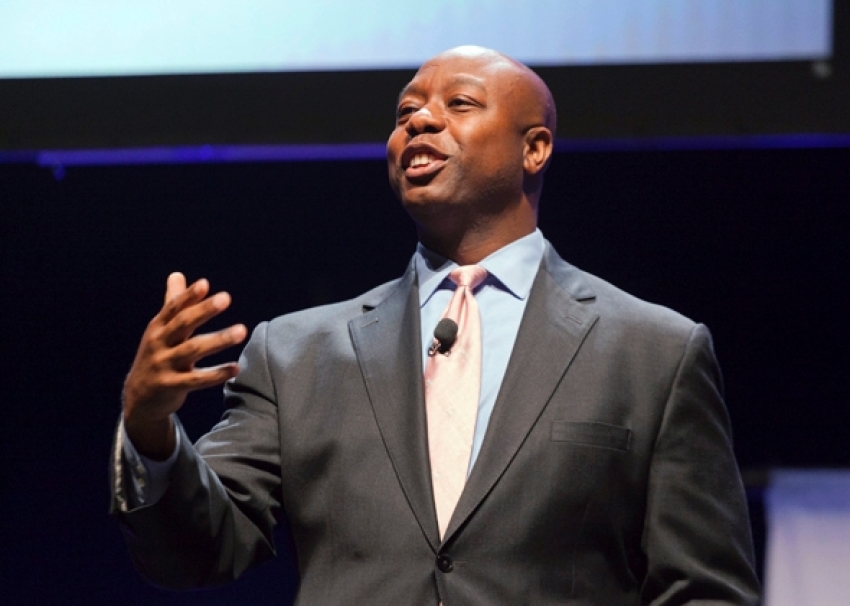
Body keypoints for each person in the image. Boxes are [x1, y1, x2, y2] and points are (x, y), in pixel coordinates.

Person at [111, 46, 760, 605]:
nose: (420, 119)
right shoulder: (297, 353)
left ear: (534, 148)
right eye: (405, 113)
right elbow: (196, 552)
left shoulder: (655, 352)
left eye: (460, 105)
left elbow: (704, 591)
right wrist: (149, 426)